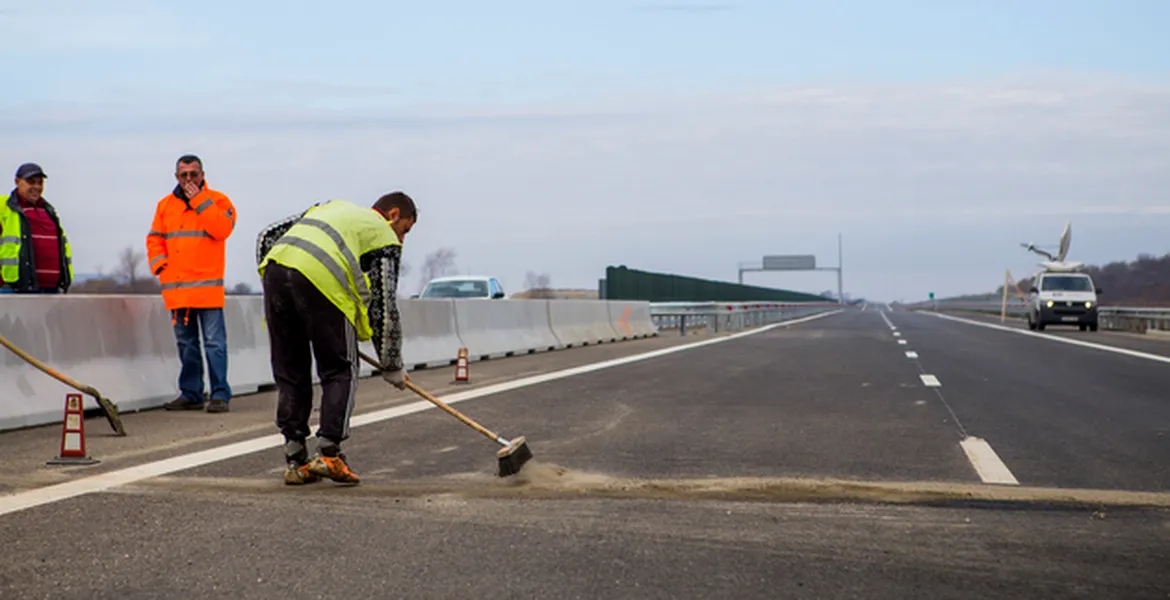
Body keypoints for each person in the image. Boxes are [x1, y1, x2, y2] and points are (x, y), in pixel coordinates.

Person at [255, 192, 417, 485]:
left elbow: (267, 236)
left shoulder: (331, 208)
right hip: (323, 282)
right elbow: (384, 305)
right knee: (340, 368)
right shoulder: (384, 236)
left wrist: (283, 286)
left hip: (276, 271)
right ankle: (329, 451)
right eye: (405, 230)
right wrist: (391, 363)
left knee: (291, 371)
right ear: (393, 215)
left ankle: (296, 459)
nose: (402, 240)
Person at [146, 154, 237, 413]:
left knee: (214, 343)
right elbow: (154, 239)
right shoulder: (165, 206)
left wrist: (198, 198)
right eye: (184, 175)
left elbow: (221, 229)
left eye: (193, 174)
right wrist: (161, 266)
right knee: (186, 344)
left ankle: (220, 393)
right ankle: (191, 392)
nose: (188, 179)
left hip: (207, 290)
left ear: (202, 175)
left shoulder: (219, 201)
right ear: (176, 177)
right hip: (178, 290)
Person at [0, 163, 74, 294]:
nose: (36, 187)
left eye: (40, 183)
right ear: (17, 182)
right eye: (31, 182)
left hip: (52, 290)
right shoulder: (5, 208)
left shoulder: (49, 212)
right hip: (14, 289)